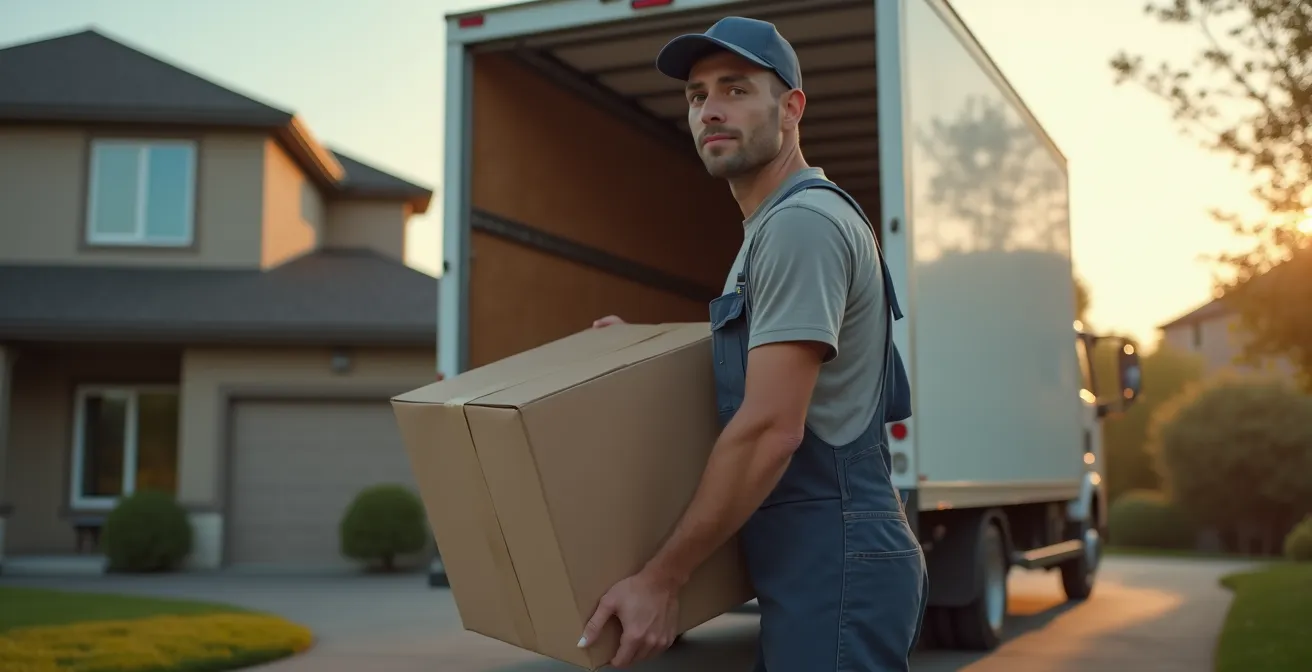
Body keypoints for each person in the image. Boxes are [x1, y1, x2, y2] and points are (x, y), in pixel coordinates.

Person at [578, 16, 929, 671]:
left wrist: (663, 578)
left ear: (791, 108)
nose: (710, 110)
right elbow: (762, 350)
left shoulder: (800, 226)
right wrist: (644, 347)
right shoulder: (772, 229)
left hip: (837, 555)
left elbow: (771, 427)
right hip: (817, 556)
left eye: (736, 90)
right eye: (696, 96)